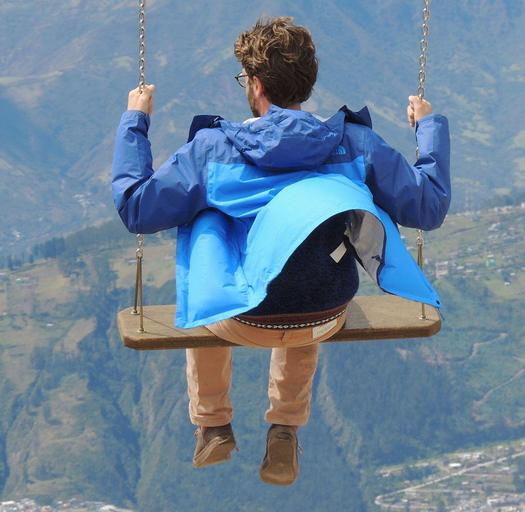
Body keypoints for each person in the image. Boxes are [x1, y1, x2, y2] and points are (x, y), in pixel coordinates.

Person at [112, 16, 450, 485]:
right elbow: (428, 207)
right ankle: (286, 426)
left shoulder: (213, 150)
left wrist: (136, 122)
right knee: (314, 251)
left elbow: (136, 208)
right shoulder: (355, 142)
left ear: (254, 85)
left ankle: (211, 422)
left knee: (206, 219)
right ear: (307, 84)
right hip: (323, 314)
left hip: (235, 319)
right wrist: (427, 127)